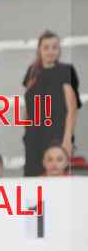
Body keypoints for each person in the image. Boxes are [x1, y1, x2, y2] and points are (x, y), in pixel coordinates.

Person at [22, 30, 82, 177]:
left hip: (57, 134)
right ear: (39, 50)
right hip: (34, 136)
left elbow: (72, 108)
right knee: (33, 178)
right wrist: (27, 132)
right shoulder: (32, 71)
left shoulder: (66, 70)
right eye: (46, 47)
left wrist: (67, 140)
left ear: (59, 50)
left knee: (57, 179)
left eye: (54, 47)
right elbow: (27, 104)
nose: (50, 51)